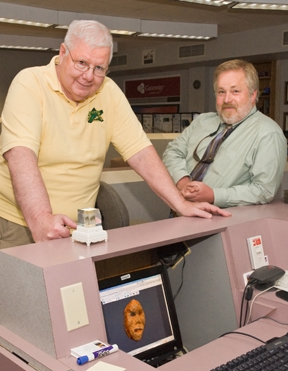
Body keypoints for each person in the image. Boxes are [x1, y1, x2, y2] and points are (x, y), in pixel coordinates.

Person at [0, 20, 231, 249]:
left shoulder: (108, 92)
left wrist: (181, 204)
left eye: (99, 68)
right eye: (81, 63)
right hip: (18, 221)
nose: (89, 76)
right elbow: (21, 156)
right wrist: (40, 218)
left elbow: (141, 153)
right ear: (63, 53)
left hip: (80, 228)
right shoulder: (30, 83)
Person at [163, 59, 287, 208]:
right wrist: (183, 181)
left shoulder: (268, 134)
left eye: (235, 91)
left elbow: (263, 190)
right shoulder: (202, 121)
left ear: (253, 95)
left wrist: (214, 195)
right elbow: (173, 152)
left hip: (221, 221)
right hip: (179, 210)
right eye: (221, 92)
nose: (227, 99)